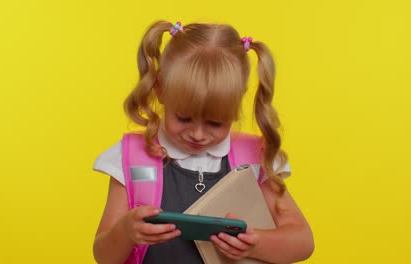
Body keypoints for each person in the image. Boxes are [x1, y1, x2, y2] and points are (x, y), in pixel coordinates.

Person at [92, 20, 314, 264]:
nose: (198, 134)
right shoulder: (130, 158)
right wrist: (125, 231)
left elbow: (302, 241)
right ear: (160, 90)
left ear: (236, 103)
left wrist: (256, 244)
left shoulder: (256, 159)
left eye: (216, 123)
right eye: (184, 118)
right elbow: (104, 257)